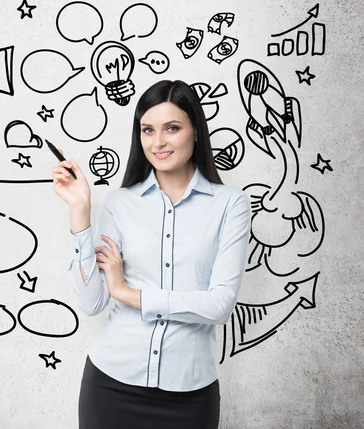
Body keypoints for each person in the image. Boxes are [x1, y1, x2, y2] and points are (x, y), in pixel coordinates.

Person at [51, 80, 252, 429]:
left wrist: (129, 294)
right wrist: (80, 211)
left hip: (190, 393)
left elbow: (219, 305)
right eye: (147, 130)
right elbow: (92, 302)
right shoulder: (118, 203)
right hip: (110, 385)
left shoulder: (230, 205)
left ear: (195, 132)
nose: (157, 142)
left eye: (171, 128)